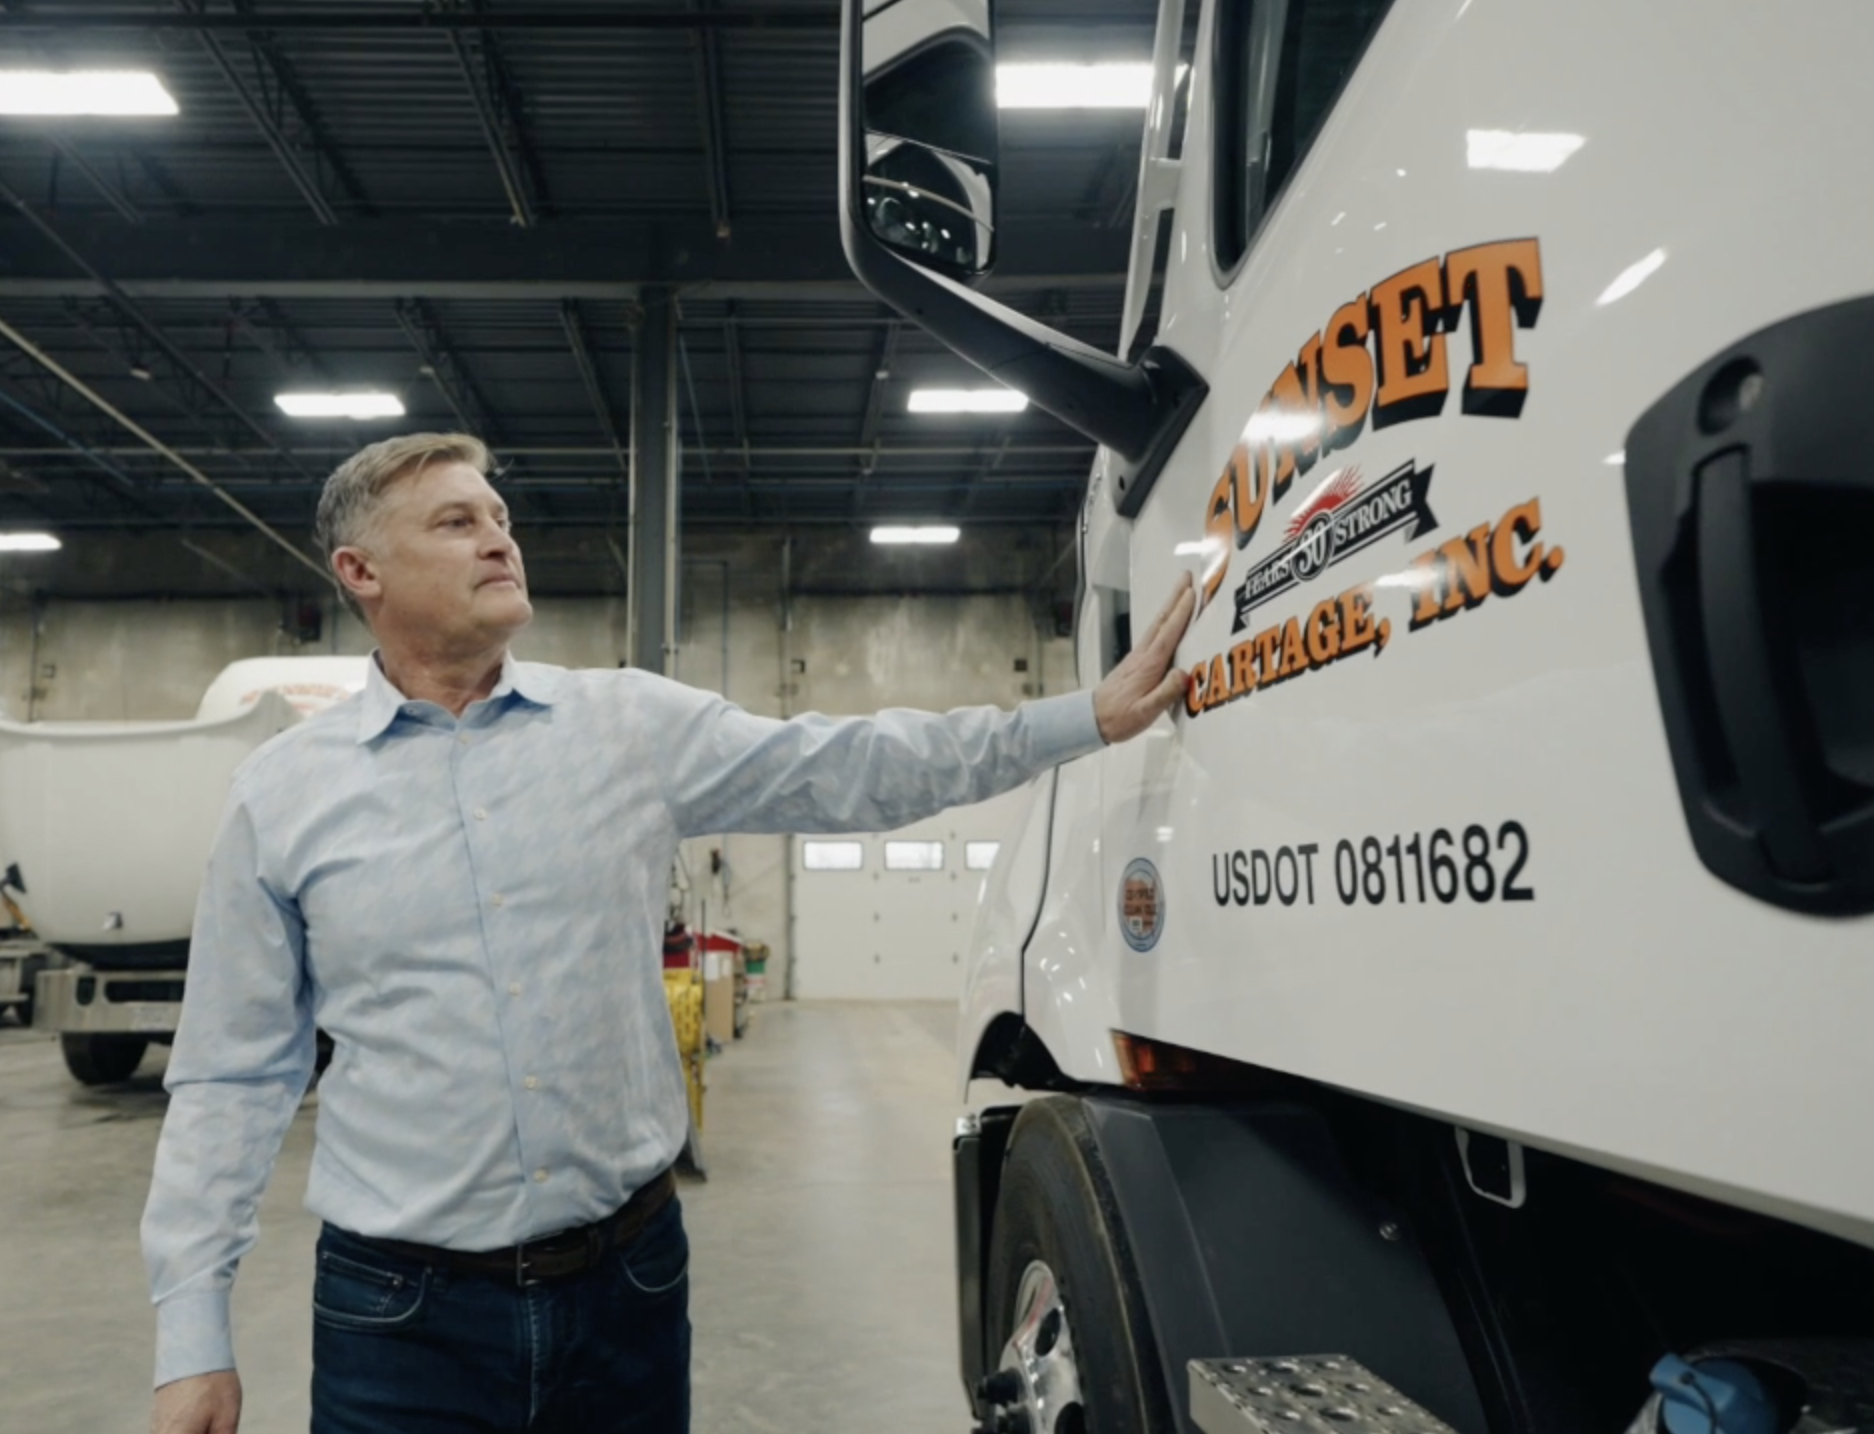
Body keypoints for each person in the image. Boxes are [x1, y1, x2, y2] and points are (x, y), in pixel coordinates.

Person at [143, 432, 1196, 1434]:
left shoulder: (622, 727)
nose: (499, 538)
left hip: (625, 1285)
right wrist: (191, 1330)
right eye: (456, 522)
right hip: (399, 1316)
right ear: (360, 571)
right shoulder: (281, 794)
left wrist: (1079, 721)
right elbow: (231, 1075)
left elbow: (847, 768)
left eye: (500, 516)